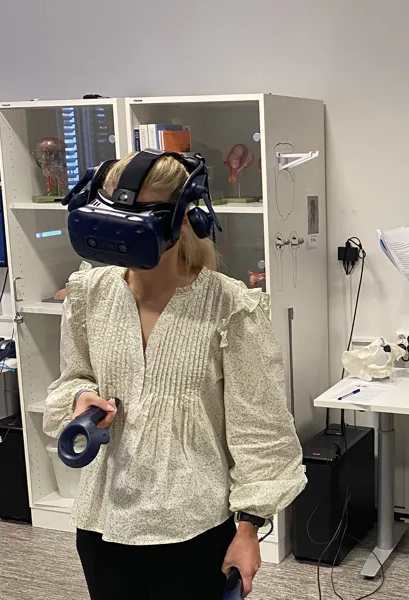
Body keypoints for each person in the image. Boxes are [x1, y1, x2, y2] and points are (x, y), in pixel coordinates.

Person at [44, 152, 307, 600]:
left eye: (139, 214)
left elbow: (259, 429)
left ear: (183, 218)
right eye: (113, 212)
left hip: (194, 529)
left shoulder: (230, 306)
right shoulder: (89, 293)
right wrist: (80, 399)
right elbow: (72, 377)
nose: (120, 229)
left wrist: (249, 529)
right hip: (104, 523)